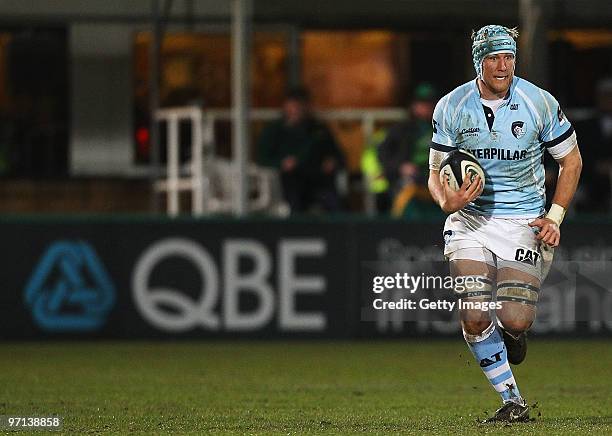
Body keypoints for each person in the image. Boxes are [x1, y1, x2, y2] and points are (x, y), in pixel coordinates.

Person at [427, 25, 582, 423]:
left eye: (509, 57)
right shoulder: (450, 106)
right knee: (476, 313)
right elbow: (434, 172)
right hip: (469, 221)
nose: (503, 66)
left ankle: (514, 335)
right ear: (479, 61)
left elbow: (571, 161)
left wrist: (555, 215)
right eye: (494, 58)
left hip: (522, 222)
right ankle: (513, 400)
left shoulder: (539, 103)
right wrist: (448, 200)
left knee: (515, 319)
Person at [257, 87, 345, 213]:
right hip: (288, 182)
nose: (297, 110)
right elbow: (262, 159)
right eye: (293, 105)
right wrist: (281, 164)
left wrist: (333, 162)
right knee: (294, 204)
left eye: (301, 105)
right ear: (285, 106)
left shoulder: (319, 129)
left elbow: (339, 156)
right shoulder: (274, 130)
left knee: (335, 203)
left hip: (318, 181)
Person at [379, 83, 439, 217]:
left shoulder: (444, 129)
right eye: (422, 103)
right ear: (414, 105)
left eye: (430, 103)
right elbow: (383, 154)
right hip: (411, 182)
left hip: (437, 181)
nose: (426, 108)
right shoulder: (401, 129)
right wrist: (401, 167)